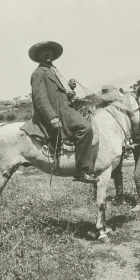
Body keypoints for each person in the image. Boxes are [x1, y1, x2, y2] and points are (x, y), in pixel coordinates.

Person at [29, 41, 98, 183]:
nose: (47, 54)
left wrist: (69, 90)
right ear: (39, 56)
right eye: (44, 52)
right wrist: (52, 117)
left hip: (65, 109)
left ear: (53, 55)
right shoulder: (38, 73)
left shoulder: (54, 71)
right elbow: (40, 98)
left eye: (50, 51)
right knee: (86, 128)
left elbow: (59, 95)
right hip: (58, 113)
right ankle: (83, 170)